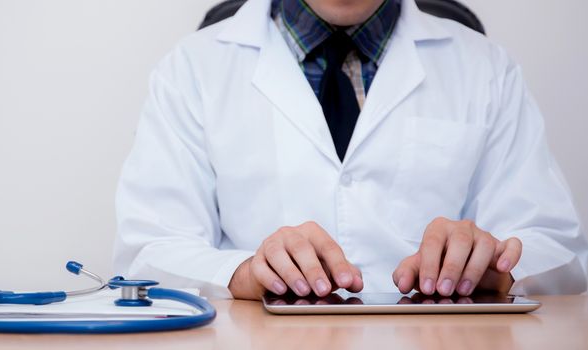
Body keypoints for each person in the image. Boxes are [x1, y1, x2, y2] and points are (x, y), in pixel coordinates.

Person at [112, 0, 588, 300]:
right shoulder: (192, 69)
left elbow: (561, 251)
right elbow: (148, 252)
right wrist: (240, 272)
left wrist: (496, 268)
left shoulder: (485, 67)